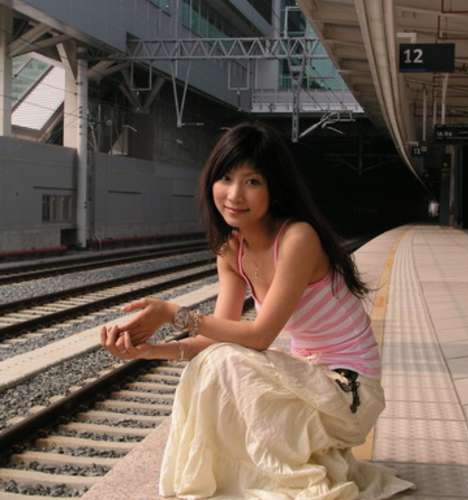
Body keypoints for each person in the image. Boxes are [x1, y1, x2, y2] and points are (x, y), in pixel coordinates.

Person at [101, 122, 414, 499]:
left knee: (227, 362)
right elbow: (217, 338)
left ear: (274, 188)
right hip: (310, 381)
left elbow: (260, 336)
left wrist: (172, 313)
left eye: (252, 181)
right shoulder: (230, 252)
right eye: (226, 178)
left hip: (350, 392)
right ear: (211, 182)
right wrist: (148, 351)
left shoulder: (298, 238)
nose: (235, 194)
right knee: (216, 360)